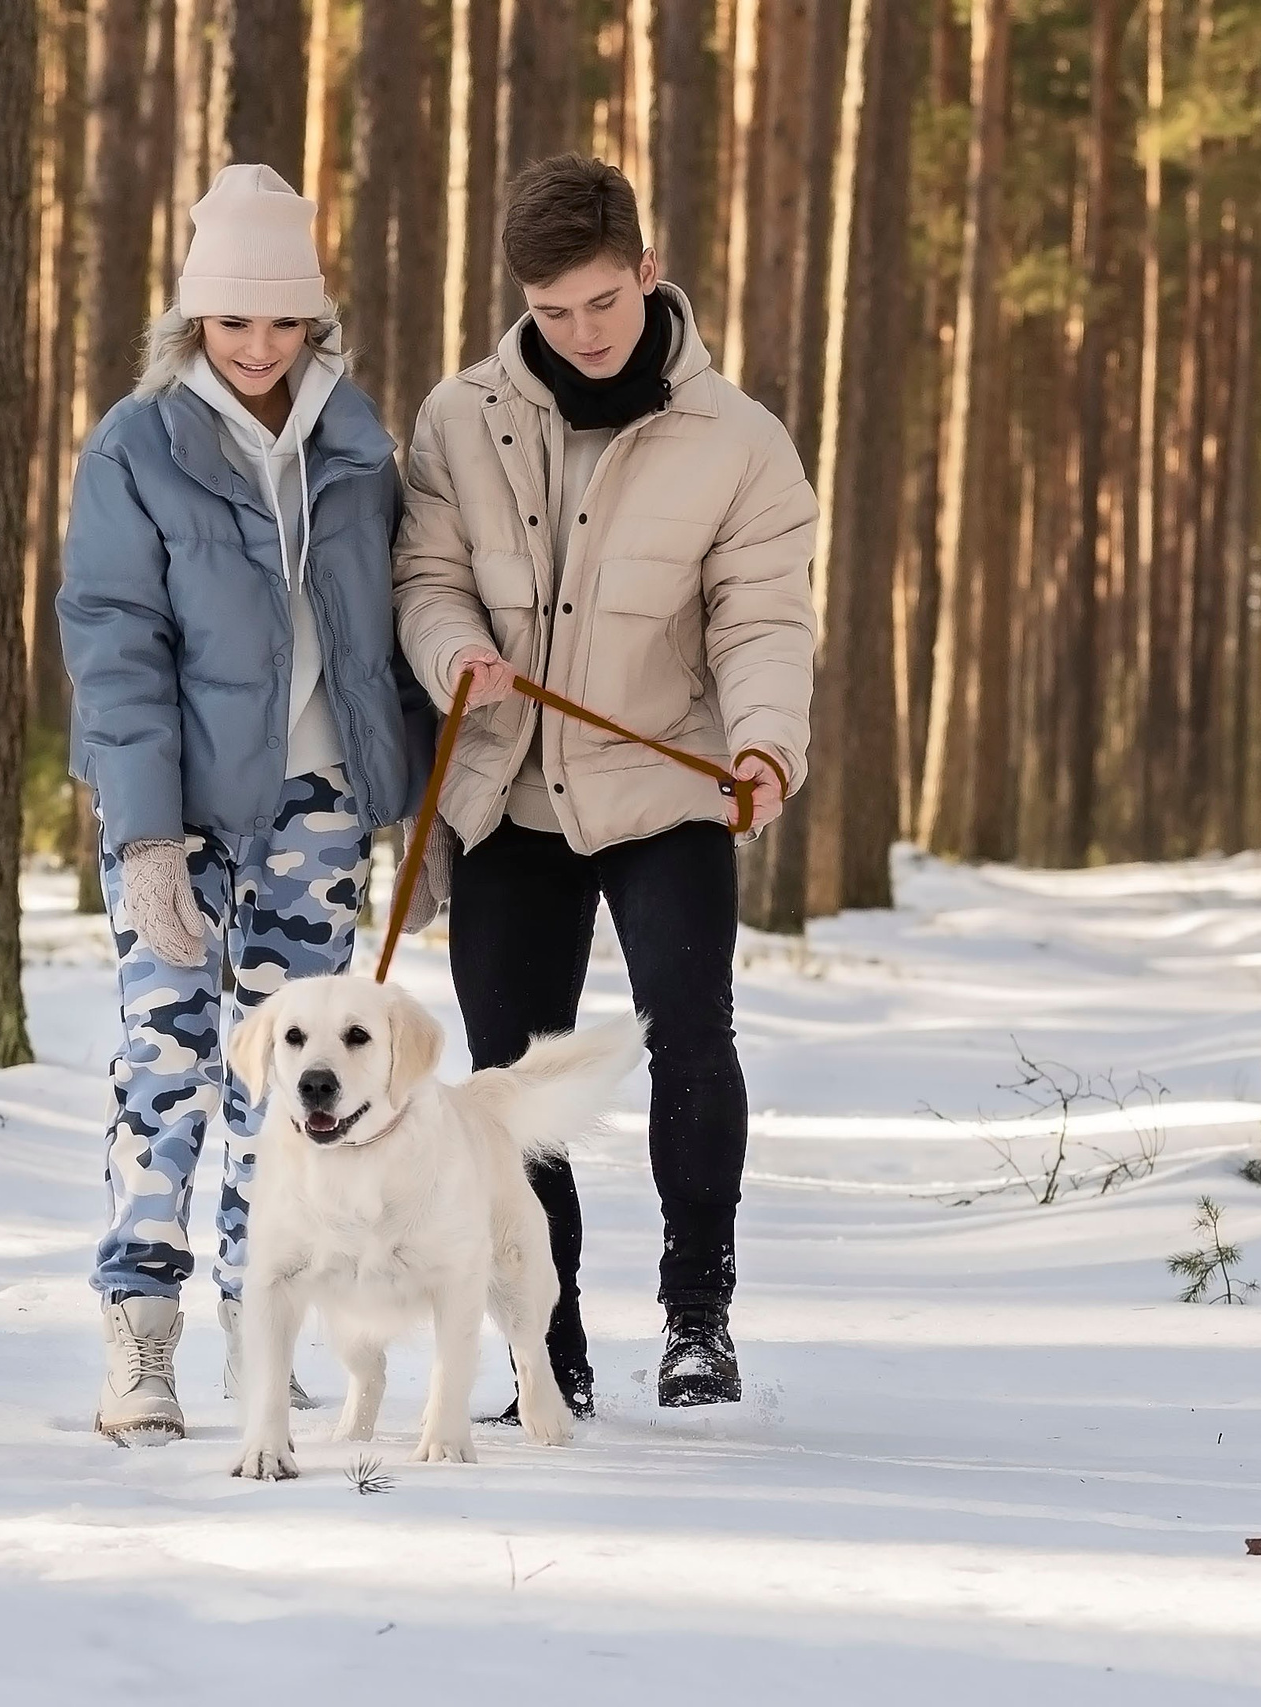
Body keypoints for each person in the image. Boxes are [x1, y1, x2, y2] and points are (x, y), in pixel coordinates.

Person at [393, 153, 818, 1415]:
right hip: (509, 791)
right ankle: (548, 1345)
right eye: (550, 308)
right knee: (514, 1076)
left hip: (661, 787)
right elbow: (425, 577)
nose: (578, 333)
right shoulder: (458, 417)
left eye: (600, 302)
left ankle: (698, 1317)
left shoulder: (736, 442)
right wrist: (452, 652)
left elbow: (761, 620)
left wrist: (764, 745)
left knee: (690, 1037)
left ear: (648, 271)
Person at [59, 163, 420, 1444]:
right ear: (192, 319)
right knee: (166, 1065)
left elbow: (393, 629)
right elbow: (113, 640)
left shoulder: (360, 438)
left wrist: (403, 799)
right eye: (233, 321)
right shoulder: (137, 443)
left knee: (299, 1086)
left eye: (283, 322)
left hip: (317, 811)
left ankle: (256, 1330)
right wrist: (145, 832)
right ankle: (137, 1336)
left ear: (315, 321)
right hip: (180, 810)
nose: (260, 347)